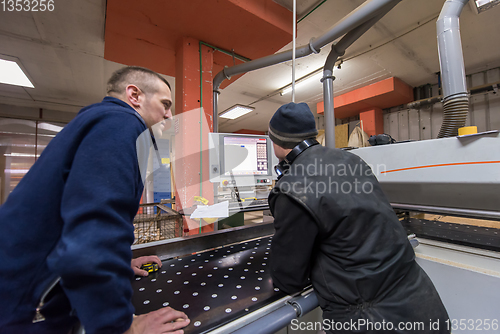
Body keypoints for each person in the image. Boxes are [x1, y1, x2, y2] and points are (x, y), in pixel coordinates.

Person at [0, 66, 190, 334]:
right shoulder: (121, 123)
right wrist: (121, 326)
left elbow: (79, 216)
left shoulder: (101, 122)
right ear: (134, 95)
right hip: (16, 303)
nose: (169, 114)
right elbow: (96, 229)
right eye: (165, 104)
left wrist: (121, 263)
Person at [268, 102, 450, 333]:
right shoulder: (352, 161)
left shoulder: (292, 188)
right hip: (422, 303)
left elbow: (288, 279)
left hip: (370, 319)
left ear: (275, 141)